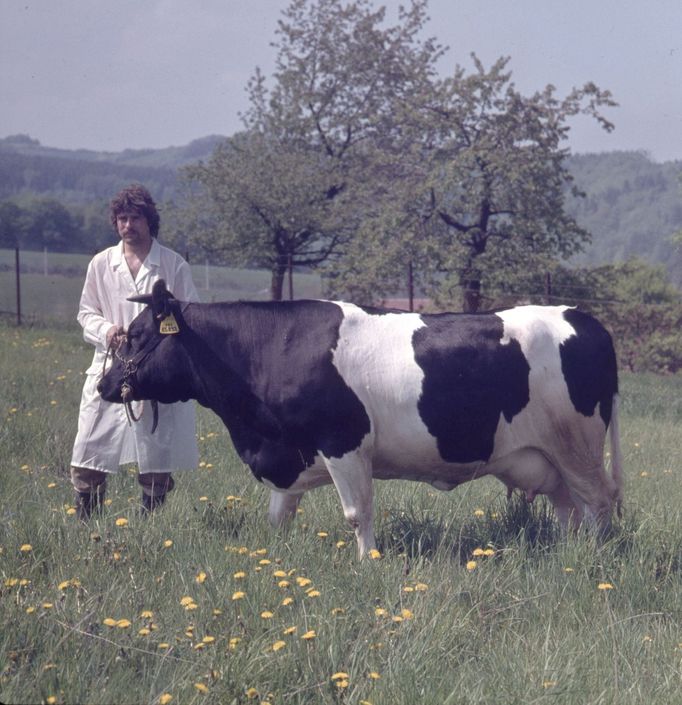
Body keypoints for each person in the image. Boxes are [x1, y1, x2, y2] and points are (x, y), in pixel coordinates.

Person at [70, 184, 200, 519]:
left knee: (155, 455)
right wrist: (107, 331)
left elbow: (192, 315)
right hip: (109, 366)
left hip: (157, 373)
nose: (128, 225)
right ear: (115, 223)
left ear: (149, 221)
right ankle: (86, 527)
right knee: (90, 449)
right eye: (122, 218)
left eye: (135, 218)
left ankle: (150, 527)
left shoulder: (172, 265)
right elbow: (86, 312)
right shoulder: (101, 263)